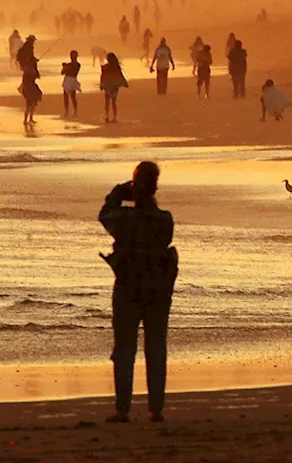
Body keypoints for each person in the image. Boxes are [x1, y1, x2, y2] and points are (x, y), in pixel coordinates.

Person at [99, 161, 177, 424]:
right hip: (158, 290)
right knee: (156, 346)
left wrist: (120, 192)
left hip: (128, 288)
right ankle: (156, 409)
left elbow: (104, 215)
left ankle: (123, 409)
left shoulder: (123, 218)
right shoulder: (165, 220)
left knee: (124, 348)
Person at [100, 53, 129, 123]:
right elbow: (120, 75)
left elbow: (103, 76)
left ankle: (107, 117)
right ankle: (114, 117)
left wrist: (102, 84)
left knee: (107, 102)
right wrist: (124, 83)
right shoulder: (116, 67)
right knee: (113, 102)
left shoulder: (106, 67)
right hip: (115, 86)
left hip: (107, 86)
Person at [20, 56, 42, 126]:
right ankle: (26, 119)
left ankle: (29, 119)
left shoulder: (28, 69)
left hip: (30, 87)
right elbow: (37, 77)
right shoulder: (30, 70)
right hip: (29, 88)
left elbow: (37, 76)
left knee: (32, 104)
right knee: (30, 104)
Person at [61, 49, 82, 116]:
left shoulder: (78, 65)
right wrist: (64, 67)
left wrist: (66, 67)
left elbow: (73, 72)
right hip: (67, 80)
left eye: (74, 56)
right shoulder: (69, 65)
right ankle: (66, 111)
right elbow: (62, 73)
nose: (73, 57)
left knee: (73, 96)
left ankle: (75, 111)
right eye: (72, 56)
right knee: (66, 96)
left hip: (72, 80)